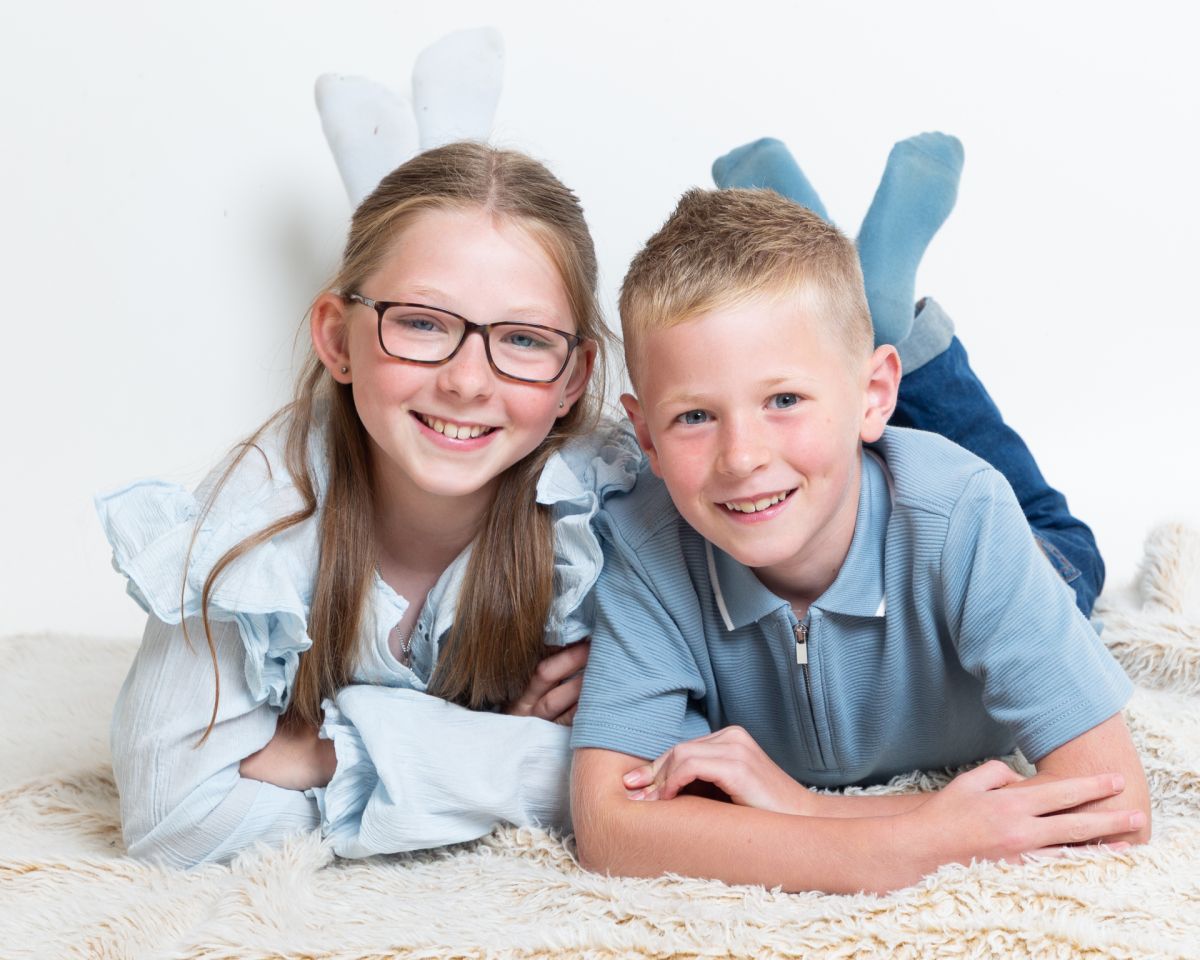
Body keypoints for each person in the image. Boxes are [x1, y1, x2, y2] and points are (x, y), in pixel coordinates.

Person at [569, 135, 1150, 895]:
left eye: (783, 399)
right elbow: (609, 827)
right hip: (852, 464)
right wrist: (902, 843)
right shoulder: (644, 549)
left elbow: (1117, 811)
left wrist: (803, 809)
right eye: (694, 417)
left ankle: (883, 312)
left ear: (876, 396)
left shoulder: (963, 516)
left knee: (1069, 551)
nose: (740, 457)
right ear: (643, 434)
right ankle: (841, 303)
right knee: (815, 358)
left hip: (1029, 552)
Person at [97, 141, 641, 868]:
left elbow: (672, 777)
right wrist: (519, 753)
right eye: (422, 322)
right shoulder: (258, 519)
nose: (468, 381)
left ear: (575, 376)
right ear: (337, 338)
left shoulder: (604, 517)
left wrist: (333, 752)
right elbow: (176, 821)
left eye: (522, 338)